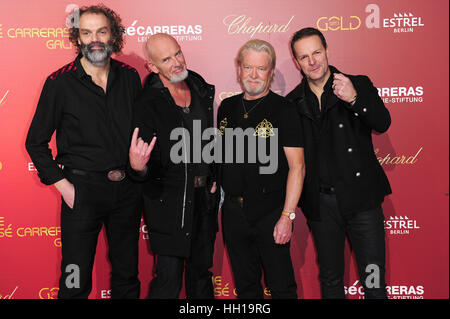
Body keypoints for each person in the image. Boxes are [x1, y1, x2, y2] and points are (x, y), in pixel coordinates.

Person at [25, 5, 142, 298]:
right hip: (82, 191)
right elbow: (35, 142)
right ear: (77, 38)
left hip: (127, 191)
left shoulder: (129, 77)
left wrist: (140, 170)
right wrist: (64, 187)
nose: (95, 39)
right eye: (86, 32)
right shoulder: (59, 83)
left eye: (101, 31)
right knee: (75, 280)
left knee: (127, 276)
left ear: (113, 34)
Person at [286, 27, 392, 299]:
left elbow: (382, 122)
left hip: (362, 201)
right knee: (331, 280)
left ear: (327, 51)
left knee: (374, 279)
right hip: (322, 206)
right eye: (304, 56)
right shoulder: (292, 103)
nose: (312, 61)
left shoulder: (357, 83)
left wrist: (355, 98)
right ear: (297, 62)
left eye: (317, 53)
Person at [129, 33, 219, 299]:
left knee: (201, 277)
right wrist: (137, 167)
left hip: (204, 200)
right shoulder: (147, 103)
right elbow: (142, 165)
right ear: (153, 67)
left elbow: (209, 142)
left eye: (177, 53)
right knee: (168, 281)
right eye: (166, 59)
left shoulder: (201, 88)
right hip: (168, 203)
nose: (177, 62)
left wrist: (214, 177)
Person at [217, 39, 305, 299]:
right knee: (246, 288)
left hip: (271, 212)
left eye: (261, 69)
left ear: (271, 71)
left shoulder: (285, 110)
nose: (253, 75)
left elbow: (297, 168)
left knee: (281, 287)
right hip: (234, 212)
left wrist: (287, 217)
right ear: (239, 69)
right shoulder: (227, 107)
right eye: (248, 67)